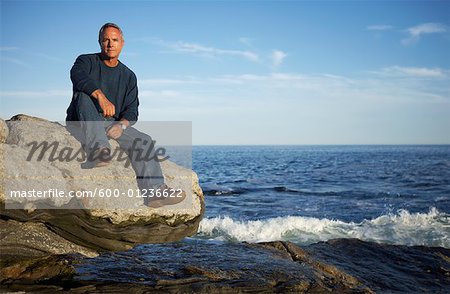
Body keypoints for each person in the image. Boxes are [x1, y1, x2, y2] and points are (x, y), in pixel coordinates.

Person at [66, 23, 185, 208]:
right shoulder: (85, 61)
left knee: (144, 140)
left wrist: (120, 125)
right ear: (99, 42)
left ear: (122, 43)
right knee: (83, 94)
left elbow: (132, 111)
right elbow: (77, 76)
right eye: (106, 40)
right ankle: (99, 151)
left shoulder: (129, 76)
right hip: (82, 117)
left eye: (114, 40)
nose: (110, 44)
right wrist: (100, 96)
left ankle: (155, 192)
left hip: (109, 123)